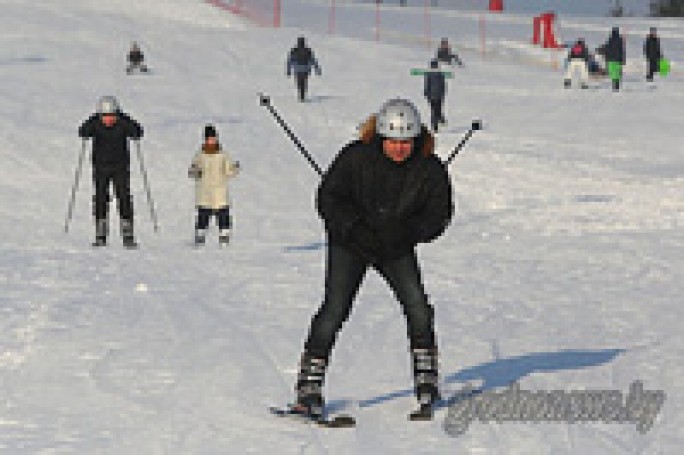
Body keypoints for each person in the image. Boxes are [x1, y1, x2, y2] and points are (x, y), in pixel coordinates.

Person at [291, 98, 454, 420]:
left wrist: (409, 232)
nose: (398, 149)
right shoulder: (356, 157)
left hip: (395, 247)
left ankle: (426, 378)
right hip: (351, 243)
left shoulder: (428, 167)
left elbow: (439, 212)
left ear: (416, 138)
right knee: (335, 308)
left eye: (405, 142)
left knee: (417, 307)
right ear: (380, 137)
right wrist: (352, 227)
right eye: (392, 142)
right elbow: (329, 197)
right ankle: (309, 387)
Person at [78, 96, 144, 247]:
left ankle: (127, 231)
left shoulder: (122, 123)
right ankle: (101, 231)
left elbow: (138, 132)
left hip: (120, 167)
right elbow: (83, 132)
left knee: (124, 196)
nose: (108, 120)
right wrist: (93, 120)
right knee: (101, 197)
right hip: (100, 167)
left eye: (112, 116)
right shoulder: (95, 123)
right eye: (105, 116)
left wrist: (124, 121)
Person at [188, 125, 240, 246]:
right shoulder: (200, 155)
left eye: (213, 138)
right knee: (203, 215)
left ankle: (224, 234)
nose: (211, 140)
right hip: (204, 191)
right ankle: (200, 235)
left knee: (223, 214)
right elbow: (193, 169)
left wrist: (234, 169)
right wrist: (195, 172)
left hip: (219, 191)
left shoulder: (222, 155)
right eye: (209, 138)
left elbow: (228, 171)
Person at [286, 36, 322, 102]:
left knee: (299, 82)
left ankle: (301, 95)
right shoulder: (308, 50)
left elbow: (290, 61)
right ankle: (303, 95)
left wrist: (288, 70)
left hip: (297, 70)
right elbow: (313, 60)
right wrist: (317, 69)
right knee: (304, 82)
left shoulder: (294, 50)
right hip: (306, 69)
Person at [424, 59, 447, 132]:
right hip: (436, 96)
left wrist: (427, 94)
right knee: (436, 110)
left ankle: (436, 123)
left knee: (435, 111)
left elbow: (427, 85)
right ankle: (436, 124)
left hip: (435, 96)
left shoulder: (432, 74)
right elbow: (443, 86)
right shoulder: (439, 74)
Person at [602, 27, 625, 91]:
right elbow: (622, 50)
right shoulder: (620, 40)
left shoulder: (610, 40)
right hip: (618, 59)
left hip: (610, 59)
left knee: (613, 72)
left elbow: (607, 49)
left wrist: (605, 57)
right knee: (617, 72)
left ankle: (614, 84)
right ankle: (616, 85)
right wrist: (623, 59)